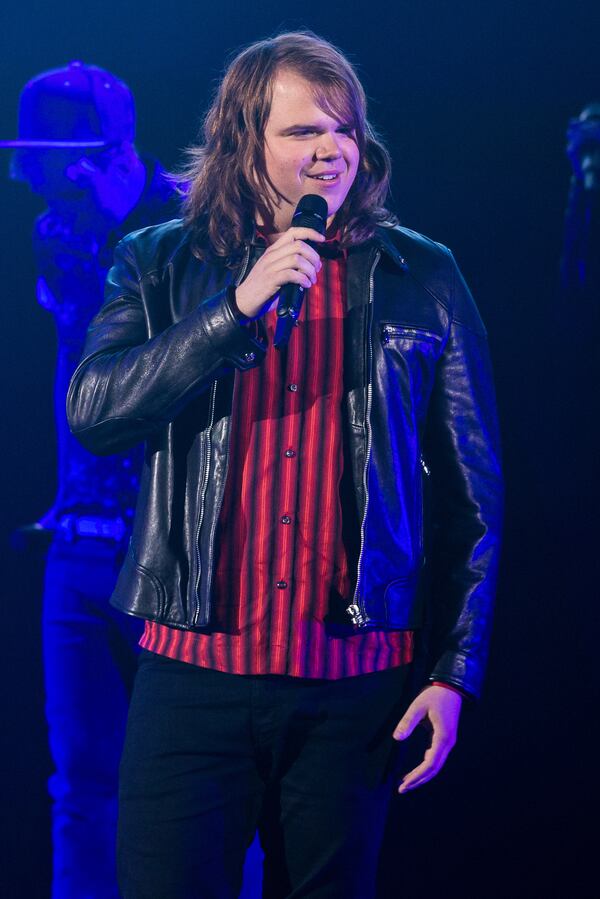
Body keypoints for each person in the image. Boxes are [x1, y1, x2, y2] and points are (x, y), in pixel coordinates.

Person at [66, 32, 504, 899]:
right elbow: (96, 411)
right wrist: (233, 311)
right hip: (192, 678)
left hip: (353, 692)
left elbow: (475, 496)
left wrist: (456, 669)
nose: (331, 151)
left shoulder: (426, 276)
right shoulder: (159, 260)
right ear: (244, 141)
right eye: (304, 132)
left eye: (344, 130)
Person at [1, 61, 176, 898]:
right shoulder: (61, 231)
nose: (45, 198)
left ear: (106, 159)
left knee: (199, 782)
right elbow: (77, 371)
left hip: (181, 549)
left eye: (58, 176)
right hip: (83, 541)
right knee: (80, 785)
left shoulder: (195, 228)